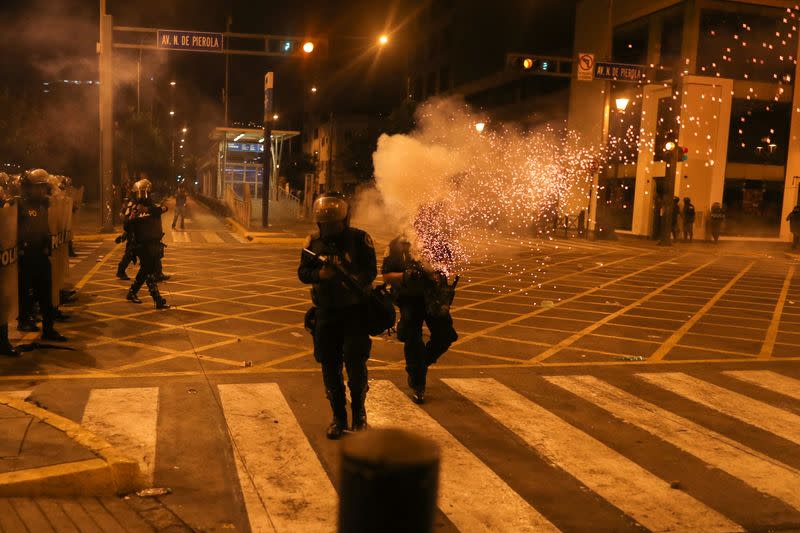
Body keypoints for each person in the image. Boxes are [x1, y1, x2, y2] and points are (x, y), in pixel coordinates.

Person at [298, 192, 376, 439]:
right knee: (330, 367)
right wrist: (320, 276)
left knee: (355, 365)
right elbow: (302, 272)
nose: (329, 228)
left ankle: (360, 415)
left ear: (345, 220)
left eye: (334, 223)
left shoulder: (359, 239)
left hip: (354, 313)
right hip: (326, 313)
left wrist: (352, 280)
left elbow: (371, 270)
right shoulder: (313, 243)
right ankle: (338, 418)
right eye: (325, 224)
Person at [381, 236, 457, 403]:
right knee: (413, 338)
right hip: (410, 298)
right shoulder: (397, 244)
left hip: (433, 297)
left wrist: (437, 275)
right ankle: (417, 383)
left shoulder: (436, 237)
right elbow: (386, 276)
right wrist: (406, 275)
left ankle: (419, 367)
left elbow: (446, 266)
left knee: (446, 335)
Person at [16, 169, 67, 341]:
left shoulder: (44, 203)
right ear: (28, 187)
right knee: (25, 291)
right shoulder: (19, 205)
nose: (41, 190)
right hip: (25, 254)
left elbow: (58, 196)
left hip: (41, 253)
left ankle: (48, 328)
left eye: (43, 187)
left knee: (46, 292)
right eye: (37, 187)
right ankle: (24, 320)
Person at [125, 179, 170, 309]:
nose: (142, 194)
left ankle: (132, 292)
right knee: (148, 269)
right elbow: (126, 224)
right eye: (140, 192)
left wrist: (154, 209)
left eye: (144, 192)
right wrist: (134, 215)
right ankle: (157, 299)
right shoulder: (132, 205)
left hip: (153, 242)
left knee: (147, 270)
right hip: (141, 243)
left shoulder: (151, 205)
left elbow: (158, 210)